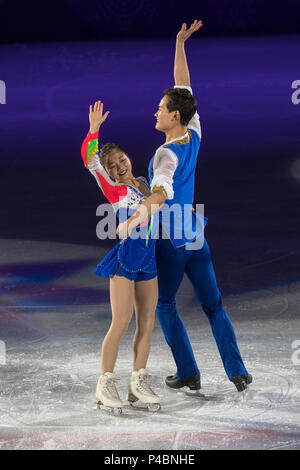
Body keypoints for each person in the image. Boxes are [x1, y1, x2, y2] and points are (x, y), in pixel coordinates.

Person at [117, 20, 252, 393]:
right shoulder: (194, 130)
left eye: (161, 108)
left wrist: (140, 213)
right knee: (214, 304)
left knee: (164, 307)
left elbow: (161, 192)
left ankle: (189, 371)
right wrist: (179, 43)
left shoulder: (164, 154)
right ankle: (237, 371)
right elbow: (184, 87)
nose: (156, 112)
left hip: (171, 241)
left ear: (174, 115)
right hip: (195, 234)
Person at [81, 101, 161, 413]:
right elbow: (91, 161)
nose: (118, 167)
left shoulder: (143, 185)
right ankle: (104, 383)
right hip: (126, 261)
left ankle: (137, 383)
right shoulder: (114, 189)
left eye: (121, 160)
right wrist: (93, 131)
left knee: (147, 321)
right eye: (112, 165)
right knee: (121, 321)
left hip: (149, 259)